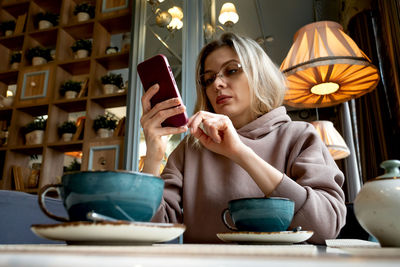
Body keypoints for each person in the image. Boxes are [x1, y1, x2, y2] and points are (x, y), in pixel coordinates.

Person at [140, 32, 346, 244]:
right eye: (208, 79)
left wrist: (240, 153)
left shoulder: (300, 135)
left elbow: (326, 227)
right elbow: (152, 231)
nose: (217, 84)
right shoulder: (191, 148)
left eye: (231, 70)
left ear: (260, 74)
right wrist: (154, 156)